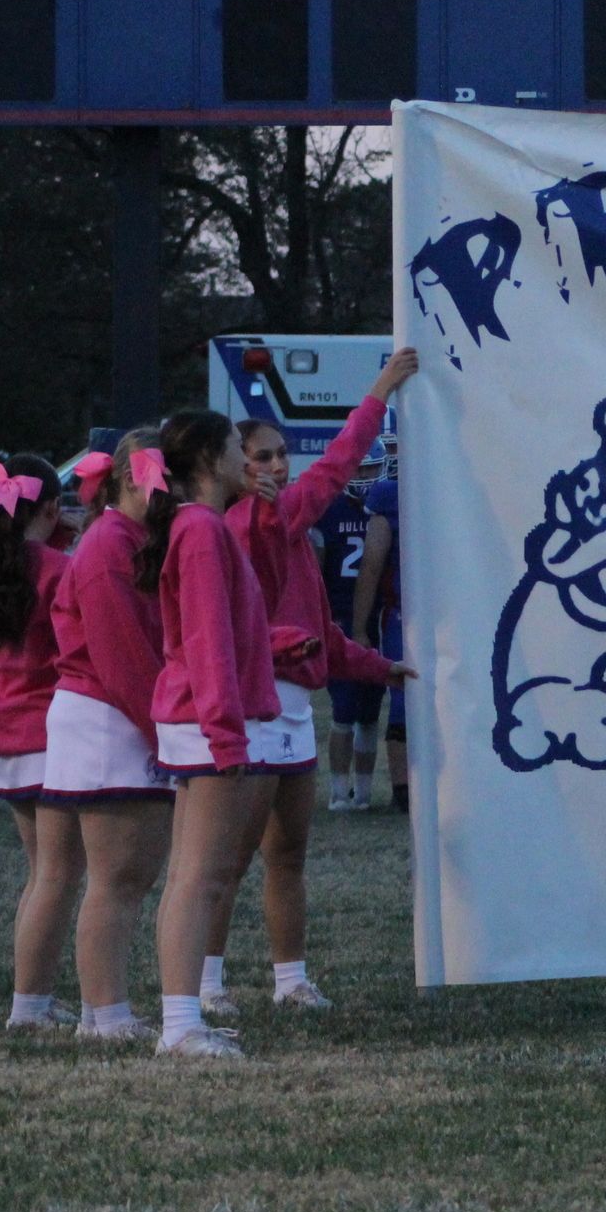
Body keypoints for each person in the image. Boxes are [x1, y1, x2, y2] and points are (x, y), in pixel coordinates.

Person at [214, 350, 419, 1014]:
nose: (277, 465)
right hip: (255, 707)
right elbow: (335, 466)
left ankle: (289, 979)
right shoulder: (252, 521)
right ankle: (206, 984)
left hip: (294, 707)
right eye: (261, 456)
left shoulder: (290, 529)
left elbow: (317, 629)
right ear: (230, 467)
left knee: (288, 852)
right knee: (228, 859)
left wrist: (377, 665)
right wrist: (381, 390)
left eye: (280, 454)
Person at [139, 411, 282, 1059]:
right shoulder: (200, 529)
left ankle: (182, 1016)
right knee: (199, 875)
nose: (245, 461)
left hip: (199, 717)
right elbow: (206, 638)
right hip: (205, 719)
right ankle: (179, 1025)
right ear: (206, 458)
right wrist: (228, 734)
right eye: (234, 450)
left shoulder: (200, 526)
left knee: (192, 875)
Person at [46, 434, 175, 1044]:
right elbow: (122, 655)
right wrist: (164, 731)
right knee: (116, 877)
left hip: (113, 714)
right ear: (131, 478)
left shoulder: (125, 539)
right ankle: (106, 1016)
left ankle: (104, 1012)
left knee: (124, 878)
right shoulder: (107, 546)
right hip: (108, 716)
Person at [0, 454, 84, 1034]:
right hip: (49, 727)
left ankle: (33, 998)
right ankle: (28, 1006)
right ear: (53, 509)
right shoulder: (60, 567)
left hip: (1, 728)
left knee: (41, 873)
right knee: (58, 876)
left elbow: (14, 550)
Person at [316, 438, 389, 814]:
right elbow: (316, 569)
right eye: (357, 469)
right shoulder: (327, 511)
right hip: (340, 619)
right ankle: (337, 791)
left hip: (377, 618)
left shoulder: (389, 508)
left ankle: (362, 793)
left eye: (370, 469)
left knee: (369, 713)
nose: (363, 478)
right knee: (342, 710)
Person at [351, 443, 410, 814]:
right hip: (413, 615)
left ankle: (413, 790)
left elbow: (371, 566)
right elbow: (372, 566)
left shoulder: (391, 494)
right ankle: (406, 791)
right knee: (407, 699)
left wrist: (360, 627)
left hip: (430, 615)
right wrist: (359, 629)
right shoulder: (389, 496)